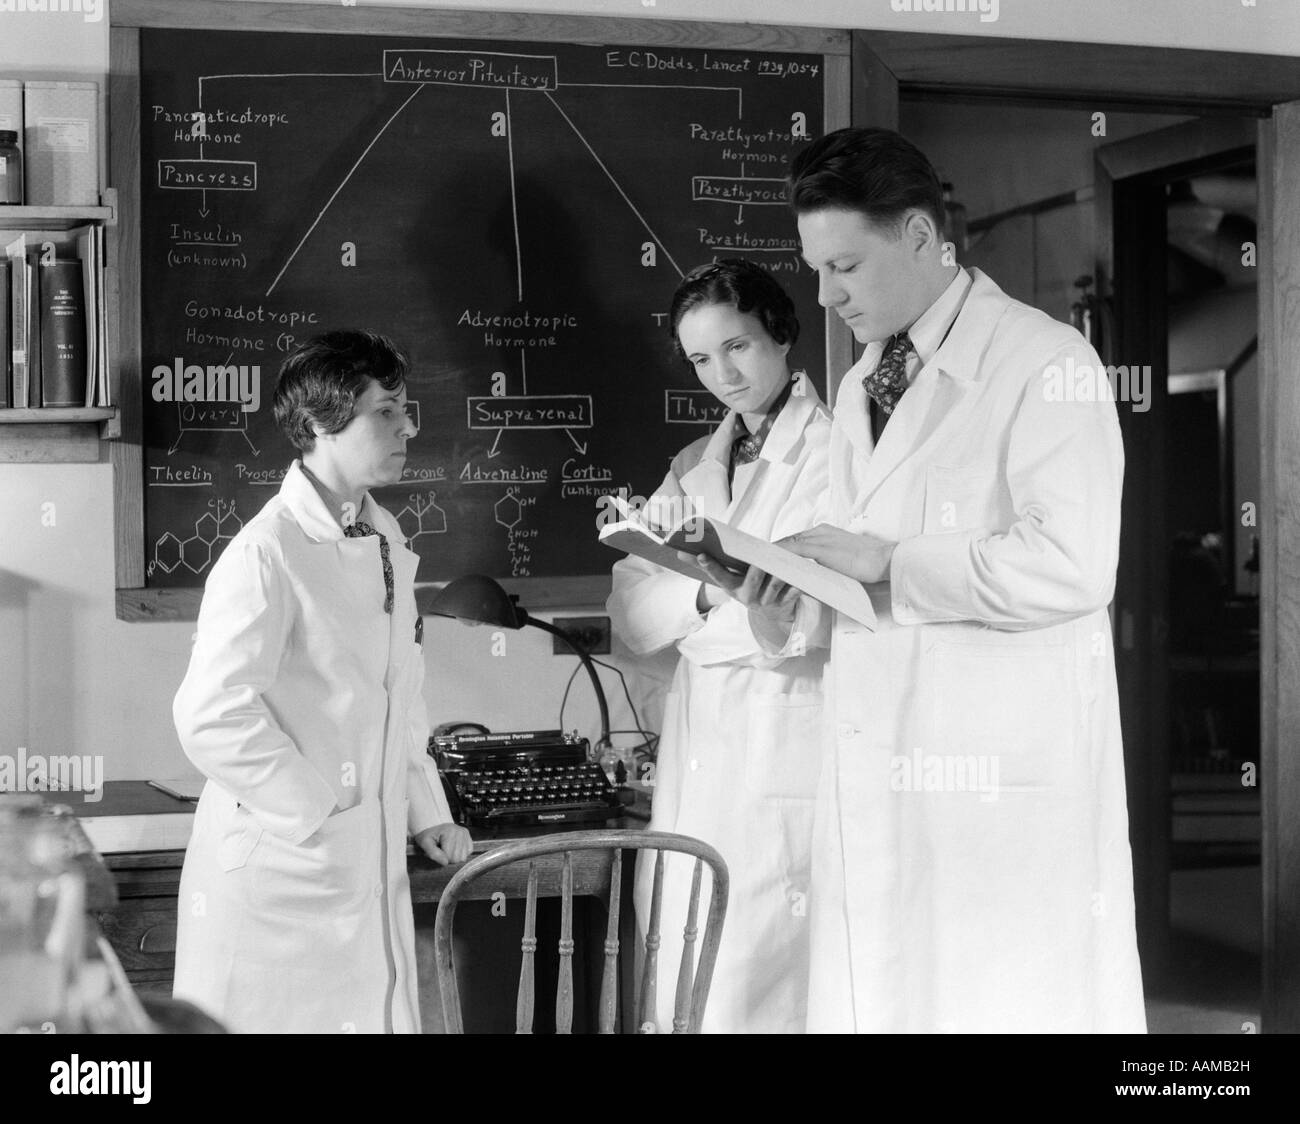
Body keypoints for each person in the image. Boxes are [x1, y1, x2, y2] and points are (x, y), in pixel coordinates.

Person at [699, 128, 1146, 1032]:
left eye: (845, 268)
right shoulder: (866, 380)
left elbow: (1074, 565)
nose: (824, 297)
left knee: (999, 1002)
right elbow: (860, 583)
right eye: (816, 269)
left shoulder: (1044, 362)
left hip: (996, 780)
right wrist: (781, 606)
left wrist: (894, 565)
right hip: (881, 761)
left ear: (915, 234)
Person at [171, 330, 472, 1034]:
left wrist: (426, 808)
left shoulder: (383, 536)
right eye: (386, 413)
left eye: (406, 410)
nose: (407, 428)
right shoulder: (265, 553)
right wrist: (322, 811)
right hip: (286, 868)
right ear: (317, 426)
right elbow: (212, 717)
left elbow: (400, 695)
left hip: (353, 860)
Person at [607, 259, 831, 1033]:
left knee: (767, 972)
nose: (723, 374)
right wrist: (711, 593)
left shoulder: (840, 454)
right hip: (700, 756)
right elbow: (631, 615)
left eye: (737, 346)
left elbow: (813, 616)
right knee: (684, 967)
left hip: (785, 745)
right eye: (702, 359)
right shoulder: (692, 468)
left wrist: (719, 620)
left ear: (781, 333)